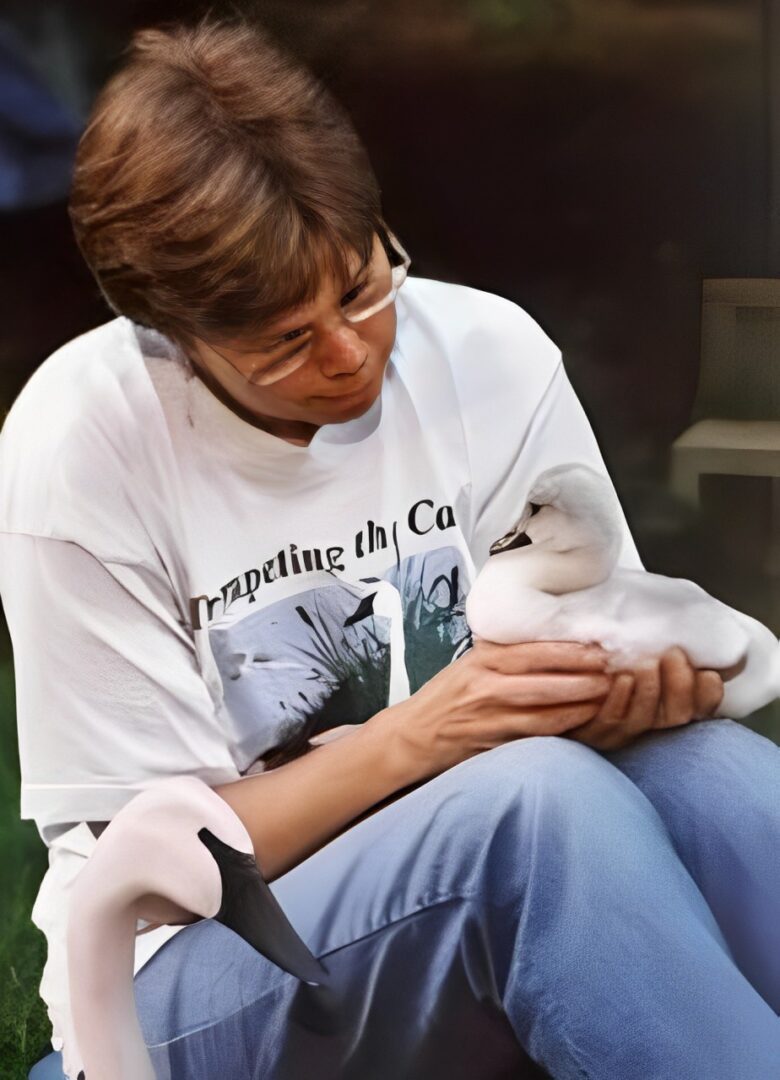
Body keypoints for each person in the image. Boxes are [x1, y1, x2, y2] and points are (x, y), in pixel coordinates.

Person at [2, 15, 778, 1080]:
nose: (350, 351)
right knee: (535, 809)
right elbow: (151, 873)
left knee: (713, 776)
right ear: (169, 331)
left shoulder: (489, 351)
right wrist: (426, 736)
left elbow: (600, 638)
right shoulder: (83, 443)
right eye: (283, 340)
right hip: (189, 973)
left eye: (364, 285)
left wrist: (635, 695)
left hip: (493, 865)